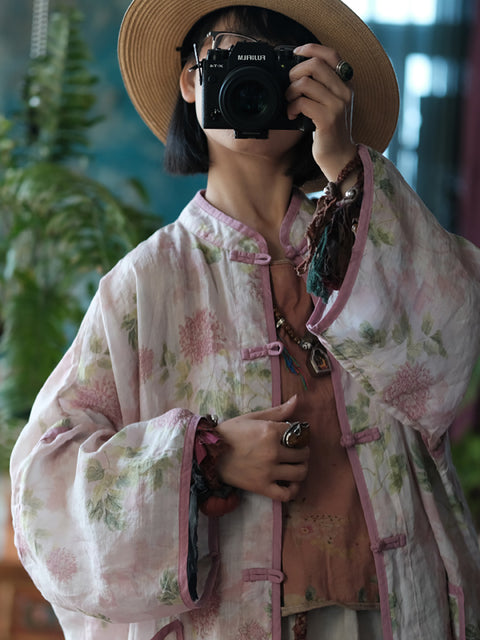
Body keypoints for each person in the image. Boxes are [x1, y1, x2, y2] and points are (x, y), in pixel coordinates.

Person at [9, 0, 480, 638]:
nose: (253, 80)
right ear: (189, 81)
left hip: (397, 609)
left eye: (279, 62)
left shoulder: (373, 235)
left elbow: (452, 334)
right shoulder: (145, 284)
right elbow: (43, 486)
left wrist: (346, 164)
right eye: (231, 57)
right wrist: (206, 456)